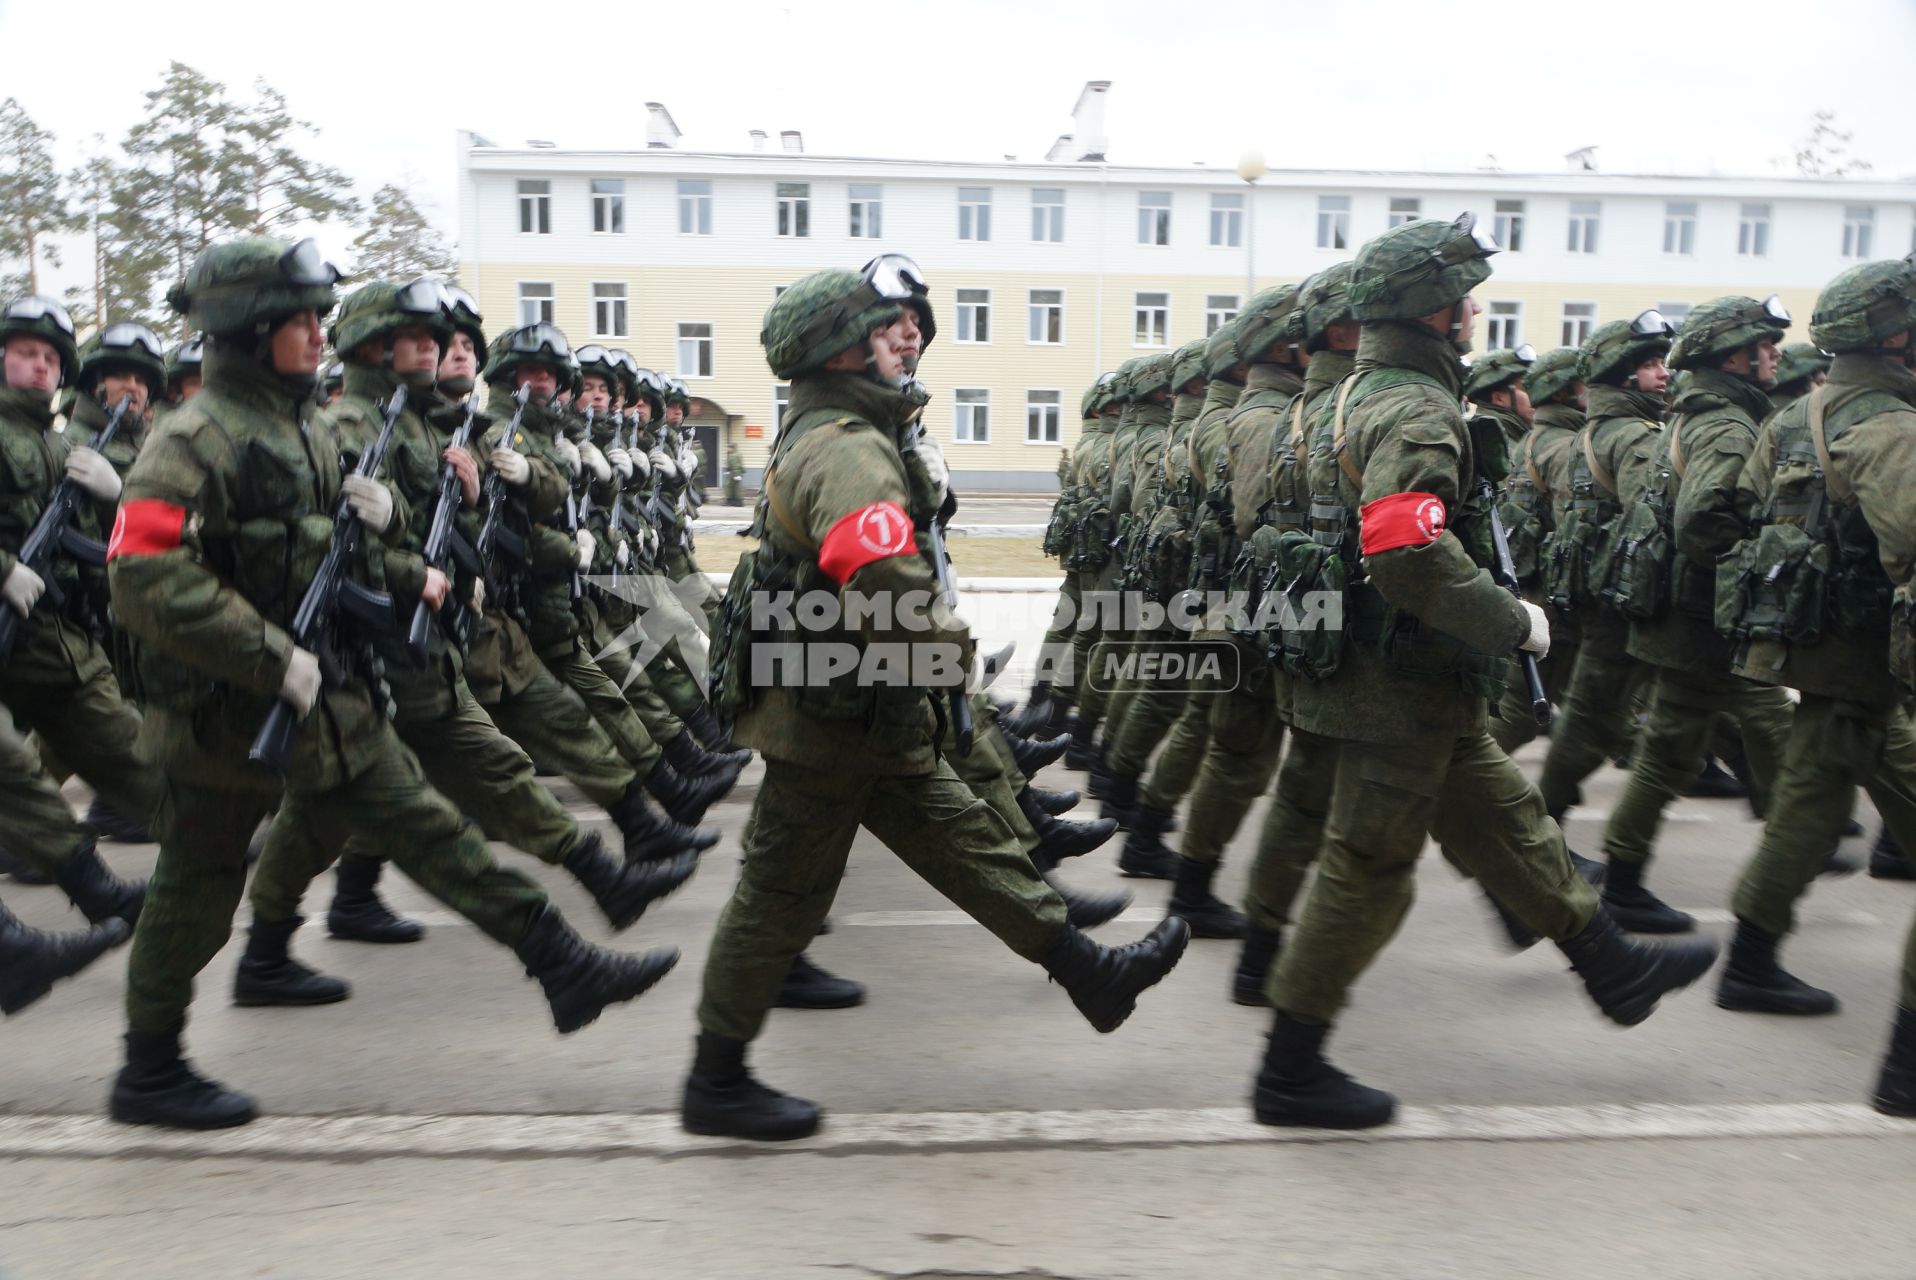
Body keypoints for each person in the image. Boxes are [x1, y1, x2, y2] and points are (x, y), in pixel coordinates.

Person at [104, 236, 683, 1131]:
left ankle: (563, 964)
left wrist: (400, 556)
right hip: (225, 710)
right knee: (196, 885)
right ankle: (149, 1068)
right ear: (250, 330)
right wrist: (268, 655)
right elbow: (144, 574)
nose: (316, 332)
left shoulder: (300, 424)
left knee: (431, 827)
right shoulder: (195, 436)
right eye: (298, 319)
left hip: (328, 690)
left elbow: (333, 550)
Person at [687, 256, 1188, 1141]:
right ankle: (715, 1083)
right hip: (834, 715)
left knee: (958, 838)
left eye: (914, 321)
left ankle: (1084, 972)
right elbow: (884, 583)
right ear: (835, 349)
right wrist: (952, 662)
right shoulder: (846, 451)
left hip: (853, 709)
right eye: (889, 326)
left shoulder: (848, 434)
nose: (911, 334)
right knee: (782, 890)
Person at [1254, 214, 1717, 1130]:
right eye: (1464, 295)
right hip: (1396, 677)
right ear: (1433, 311)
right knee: (1368, 867)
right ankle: (1290, 1069)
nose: (1475, 309)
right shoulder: (1417, 410)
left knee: (1501, 814)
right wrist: (1513, 624)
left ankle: (1609, 962)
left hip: (1365, 668)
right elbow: (1402, 548)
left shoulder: (1333, 401)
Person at [237, 279, 699, 1006]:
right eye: (418, 335)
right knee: (410, 815)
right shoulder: (347, 429)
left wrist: (479, 498)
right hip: (371, 649)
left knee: (406, 791)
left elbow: (465, 518)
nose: (438, 348)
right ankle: (583, 918)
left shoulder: (426, 424)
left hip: (425, 646)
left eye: (441, 338)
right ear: (375, 347)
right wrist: (396, 544)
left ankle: (605, 879)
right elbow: (313, 550)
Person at [1717, 257, 1916, 1024]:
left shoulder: (1798, 415)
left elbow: (1747, 506)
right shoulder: (1892, 428)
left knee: (1807, 802)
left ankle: (1751, 962)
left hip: (1816, 649)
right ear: (1895, 335)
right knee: (1810, 797)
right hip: (1864, 655)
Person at [1592, 295, 1797, 932]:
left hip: (1682, 613)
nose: (1774, 357)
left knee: (1668, 753)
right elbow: (1702, 519)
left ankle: (1624, 881)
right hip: (1706, 619)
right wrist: (1761, 563)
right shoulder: (1729, 426)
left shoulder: (1694, 416)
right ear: (1734, 355)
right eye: (1764, 346)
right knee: (1774, 738)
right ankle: (1792, 860)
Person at [0, 293, 154, 923]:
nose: (39, 367)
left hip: (63, 646)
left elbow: (139, 545)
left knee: (137, 757)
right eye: (24, 355)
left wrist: (120, 498)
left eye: (48, 358)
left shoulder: (68, 452)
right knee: (15, 768)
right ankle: (91, 889)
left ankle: (200, 862)